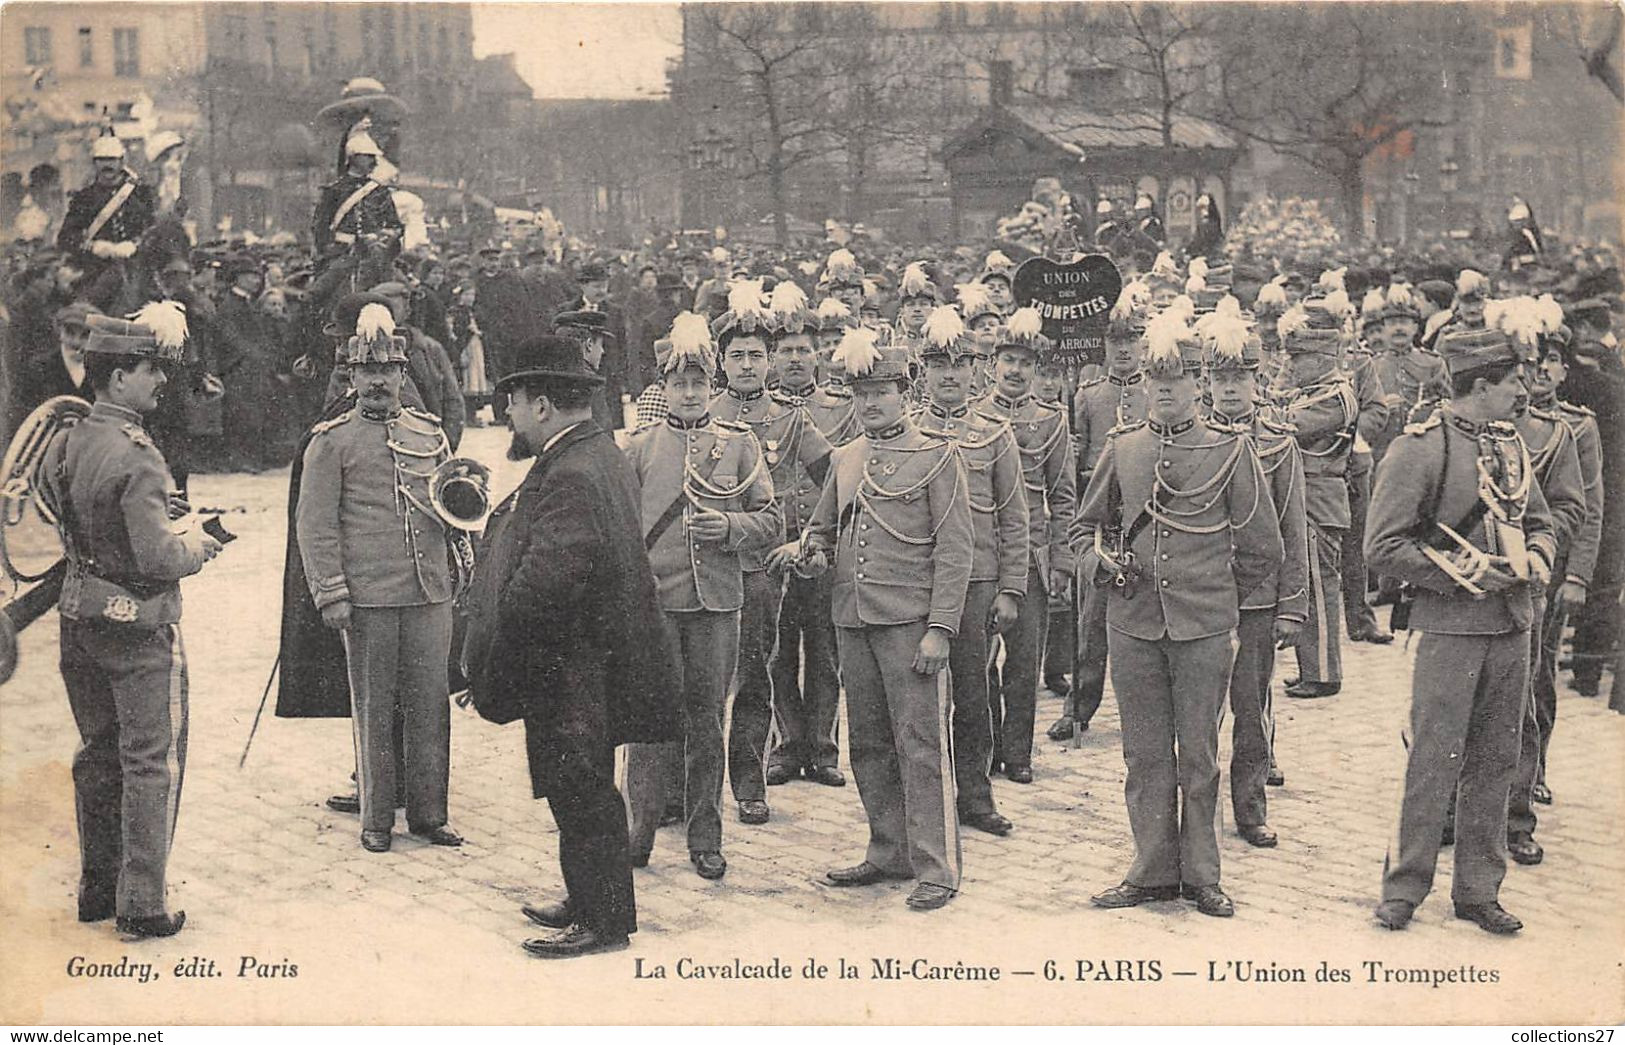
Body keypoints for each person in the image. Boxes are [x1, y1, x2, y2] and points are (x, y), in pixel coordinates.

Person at [461, 333, 679, 960]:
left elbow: (547, 581)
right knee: (575, 788)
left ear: (543, 405)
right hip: (586, 662)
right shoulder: (593, 453)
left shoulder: (572, 470)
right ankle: (585, 898)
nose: (507, 412)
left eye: (514, 400)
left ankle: (603, 921)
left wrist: (497, 652)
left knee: (580, 790)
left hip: (571, 667)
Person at [1071, 311, 1281, 919]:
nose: (1165, 388)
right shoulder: (1123, 449)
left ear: (1201, 384)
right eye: (1156, 378)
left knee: (1198, 754)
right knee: (1143, 755)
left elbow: (1264, 546)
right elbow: (1084, 530)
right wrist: (1102, 565)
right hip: (1133, 622)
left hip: (1203, 627)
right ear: (1142, 384)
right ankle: (1152, 871)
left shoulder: (1229, 451)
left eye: (1181, 378)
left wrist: (1216, 591)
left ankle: (1203, 875)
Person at [38, 302, 222, 938]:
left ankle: (97, 886)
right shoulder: (140, 456)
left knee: (98, 754)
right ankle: (142, 903)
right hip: (139, 629)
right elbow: (160, 556)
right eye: (150, 370)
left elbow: (65, 510)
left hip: (80, 617)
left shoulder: (70, 436)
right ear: (118, 377)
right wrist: (202, 545)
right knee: (149, 761)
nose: (162, 381)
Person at [1367, 325, 1558, 936]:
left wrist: (1539, 555)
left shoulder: (1511, 446)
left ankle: (1479, 890)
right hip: (1449, 626)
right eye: (1512, 383)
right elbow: (1382, 546)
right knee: (1432, 758)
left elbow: (1539, 520)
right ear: (1480, 386)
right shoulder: (1418, 449)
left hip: (1512, 626)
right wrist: (1471, 573)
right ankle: (1404, 888)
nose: (1523, 392)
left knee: (1498, 760)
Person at [802, 327, 972, 911]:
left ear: (906, 393)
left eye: (882, 391)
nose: (871, 403)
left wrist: (941, 627)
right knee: (868, 743)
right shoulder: (846, 457)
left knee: (920, 743)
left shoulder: (937, 455)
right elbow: (823, 528)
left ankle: (937, 867)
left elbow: (955, 550)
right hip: (853, 619)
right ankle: (887, 849)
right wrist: (813, 549)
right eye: (861, 393)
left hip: (909, 624)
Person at [295, 300, 463, 854]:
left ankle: (429, 813)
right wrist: (331, 593)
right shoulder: (331, 440)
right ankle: (375, 819)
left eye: (387, 371)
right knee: (372, 705)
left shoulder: (430, 433)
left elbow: (452, 506)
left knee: (429, 702)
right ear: (349, 375)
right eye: (365, 372)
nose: (377, 382)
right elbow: (315, 527)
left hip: (428, 593)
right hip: (367, 597)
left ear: (402, 374)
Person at [622, 311, 782, 880]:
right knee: (646, 721)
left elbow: (772, 520)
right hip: (657, 606)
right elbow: (620, 531)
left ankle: (705, 838)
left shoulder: (738, 447)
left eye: (697, 384)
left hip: (717, 604)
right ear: (663, 389)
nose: (689, 393)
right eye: (678, 384)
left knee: (707, 721)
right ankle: (635, 834)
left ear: (711, 387)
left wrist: (731, 531)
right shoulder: (637, 449)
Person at [911, 305, 1027, 837]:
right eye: (939, 365)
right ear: (924, 371)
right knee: (919, 695)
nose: (951, 375)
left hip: (978, 582)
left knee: (974, 695)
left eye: (960, 365)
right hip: (919, 582)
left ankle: (976, 797)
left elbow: (1014, 516)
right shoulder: (908, 431)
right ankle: (924, 797)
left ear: (975, 370)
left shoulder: (994, 433)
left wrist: (1010, 589)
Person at [1202, 311, 1308, 848]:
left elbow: (1293, 525)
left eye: (1239, 378)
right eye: (1219, 380)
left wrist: (1293, 604)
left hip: (1258, 599)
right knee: (1197, 712)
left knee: (1251, 705)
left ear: (1256, 381)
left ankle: (1249, 807)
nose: (1229, 389)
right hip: (1201, 595)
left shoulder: (1278, 444)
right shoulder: (1191, 439)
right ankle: (1194, 813)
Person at [972, 307, 1076, 782]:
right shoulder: (973, 417)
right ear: (992, 364)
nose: (1015, 371)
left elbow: (1063, 496)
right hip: (980, 553)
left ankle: (1017, 754)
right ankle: (983, 745)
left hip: (1031, 555)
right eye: (1008, 361)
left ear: (1037, 370)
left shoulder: (1051, 422)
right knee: (977, 659)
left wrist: (1062, 560)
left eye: (1026, 363)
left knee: (1022, 663)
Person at [1050, 290, 1148, 741]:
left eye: (1132, 339)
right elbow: (1076, 468)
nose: (1124, 349)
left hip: (1143, 521)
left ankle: (1147, 712)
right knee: (1090, 623)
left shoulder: (1154, 393)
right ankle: (1078, 709)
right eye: (1115, 341)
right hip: (1100, 519)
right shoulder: (1088, 395)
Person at [1275, 294, 1359, 698]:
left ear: (1323, 357)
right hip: (1304, 496)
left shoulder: (1336, 396)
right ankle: (1312, 666)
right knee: (1304, 583)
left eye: (1299, 359)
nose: (1291, 366)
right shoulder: (1314, 389)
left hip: (1320, 498)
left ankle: (1324, 673)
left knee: (1321, 587)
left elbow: (1288, 425)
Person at [57, 126, 154, 310]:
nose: (106, 165)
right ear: (94, 163)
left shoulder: (141, 194)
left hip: (136, 266)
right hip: (95, 269)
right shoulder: (83, 198)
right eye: (101, 160)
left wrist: (135, 244)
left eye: (112, 160)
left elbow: (153, 229)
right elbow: (65, 237)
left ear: (122, 161)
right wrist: (94, 247)